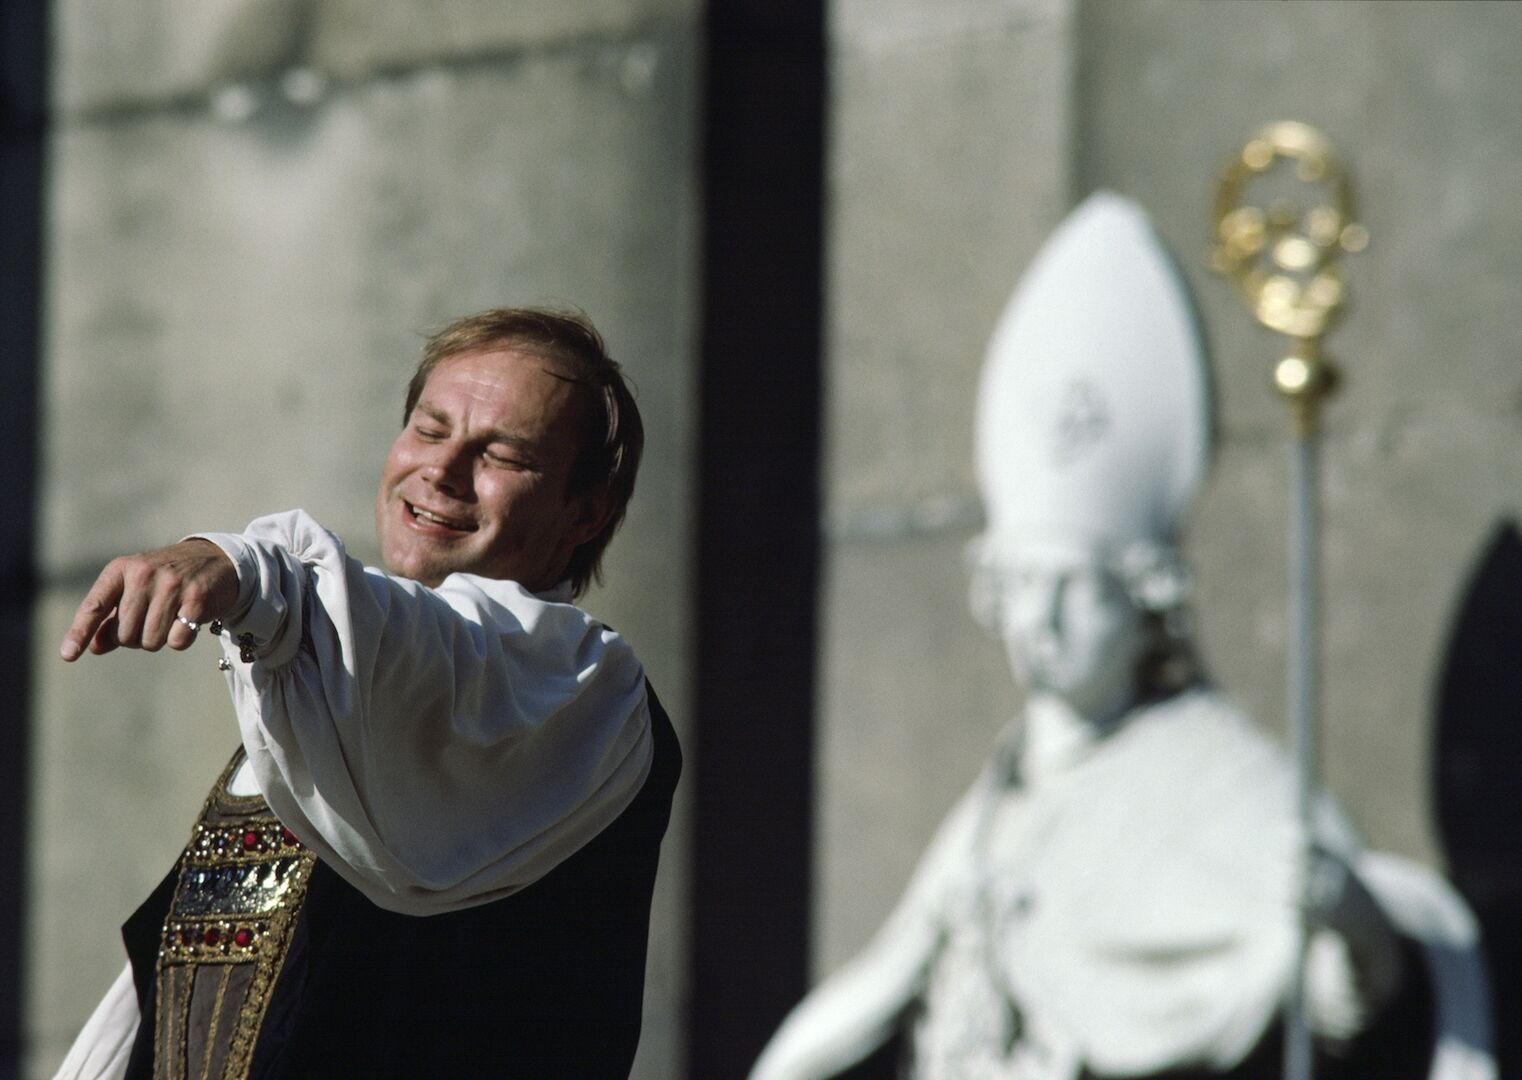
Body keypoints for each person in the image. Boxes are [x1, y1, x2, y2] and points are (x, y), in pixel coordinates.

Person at [751, 195, 1414, 1080]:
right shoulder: (1007, 788)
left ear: (1147, 601)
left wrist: (1343, 914)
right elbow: (884, 980)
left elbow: (1346, 996)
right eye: (1019, 589)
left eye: (1071, 590)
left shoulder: (1223, 778)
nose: (1040, 624)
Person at [53, 307, 681, 1080]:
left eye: (502, 455)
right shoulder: (333, 711)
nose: (441, 471)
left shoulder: (582, 693)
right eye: (429, 429)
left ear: (585, 512)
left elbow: (447, 651)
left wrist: (245, 569)